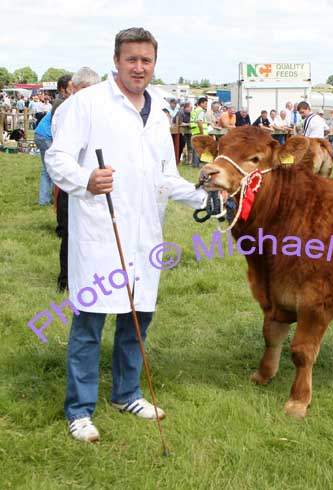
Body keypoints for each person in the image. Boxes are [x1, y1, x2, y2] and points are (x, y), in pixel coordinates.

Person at [45, 27, 209, 443]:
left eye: (146, 60)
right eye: (131, 59)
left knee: (137, 320)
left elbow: (166, 176)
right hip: (102, 232)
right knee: (89, 323)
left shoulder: (160, 112)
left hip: (144, 235)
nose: (139, 67)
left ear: (155, 63)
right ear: (116, 60)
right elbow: (57, 156)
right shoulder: (88, 103)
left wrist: (204, 196)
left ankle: (127, 393)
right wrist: (86, 179)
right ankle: (79, 409)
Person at [51, 67, 102, 293]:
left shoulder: (97, 110)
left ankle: (93, 276)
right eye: (84, 89)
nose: (88, 94)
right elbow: (60, 151)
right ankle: (67, 280)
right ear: (74, 88)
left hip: (96, 180)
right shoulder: (66, 110)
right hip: (73, 179)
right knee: (70, 231)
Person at [34, 108, 54, 206]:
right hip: (45, 137)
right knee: (52, 168)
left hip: (39, 134)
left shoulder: (57, 107)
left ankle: (45, 199)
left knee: (46, 169)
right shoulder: (64, 108)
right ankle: (47, 200)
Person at [190, 97, 209, 167]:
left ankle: (194, 164)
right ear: (201, 103)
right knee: (201, 148)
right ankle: (202, 164)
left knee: (195, 149)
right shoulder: (201, 111)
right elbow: (199, 121)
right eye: (205, 103)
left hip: (194, 131)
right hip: (200, 132)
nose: (206, 105)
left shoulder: (194, 110)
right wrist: (202, 132)